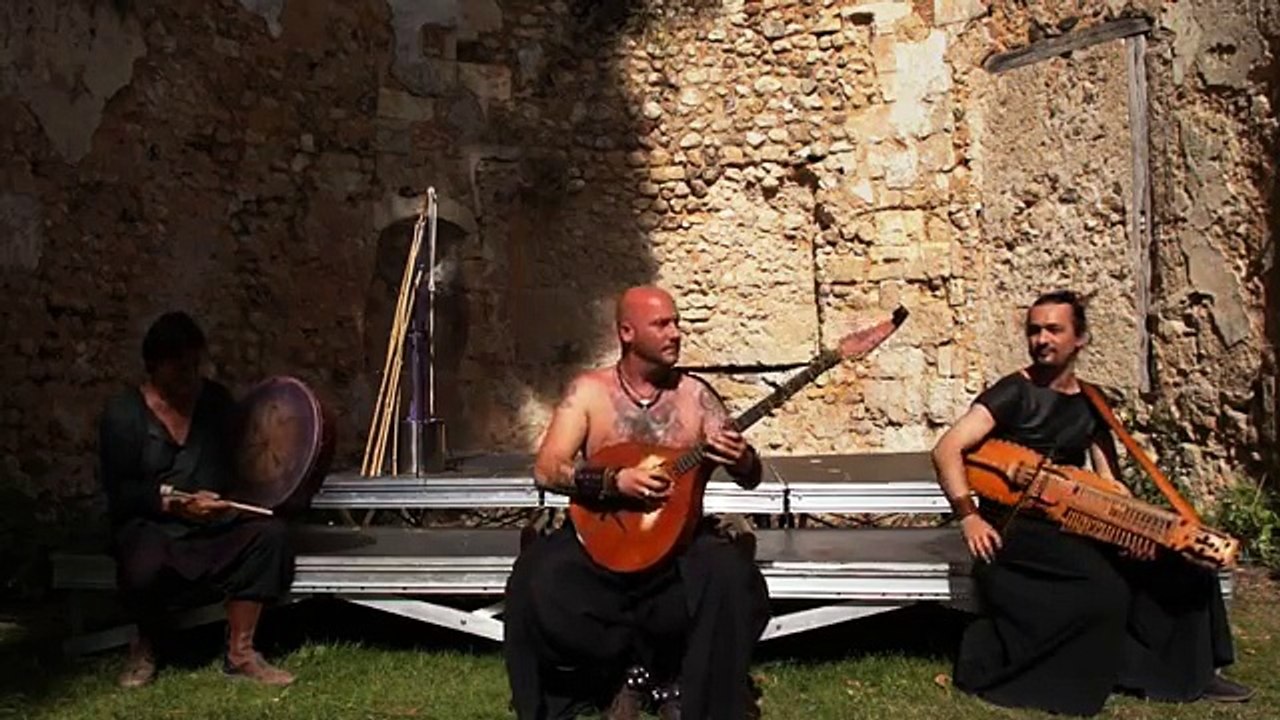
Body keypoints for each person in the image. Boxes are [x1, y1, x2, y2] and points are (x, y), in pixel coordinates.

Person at [930, 290, 1253, 716]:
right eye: (1035, 330)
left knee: (1184, 563)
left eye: (1054, 330)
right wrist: (968, 516)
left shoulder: (1092, 401)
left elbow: (1109, 482)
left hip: (1077, 519)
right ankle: (1089, 676)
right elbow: (947, 448)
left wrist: (1133, 530)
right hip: (1018, 530)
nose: (1042, 339)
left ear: (1080, 338)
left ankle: (1193, 672)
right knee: (1104, 588)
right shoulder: (1013, 392)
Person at [503, 286, 771, 720]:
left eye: (676, 323)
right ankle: (598, 685)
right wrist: (615, 481)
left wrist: (743, 459)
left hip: (677, 544)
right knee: (536, 576)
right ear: (627, 333)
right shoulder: (590, 392)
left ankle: (694, 693)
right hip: (603, 536)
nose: (676, 333)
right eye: (662, 324)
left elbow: (751, 477)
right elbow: (548, 469)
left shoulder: (696, 396)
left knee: (731, 576)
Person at [97, 311, 295, 688]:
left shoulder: (215, 402)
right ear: (154, 365)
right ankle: (145, 646)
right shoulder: (124, 413)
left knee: (270, 536)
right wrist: (175, 503)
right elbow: (121, 491)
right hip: (156, 527)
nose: (189, 376)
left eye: (194, 365)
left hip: (210, 526)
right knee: (142, 558)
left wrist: (227, 500)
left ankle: (241, 652)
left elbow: (239, 464)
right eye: (178, 367)